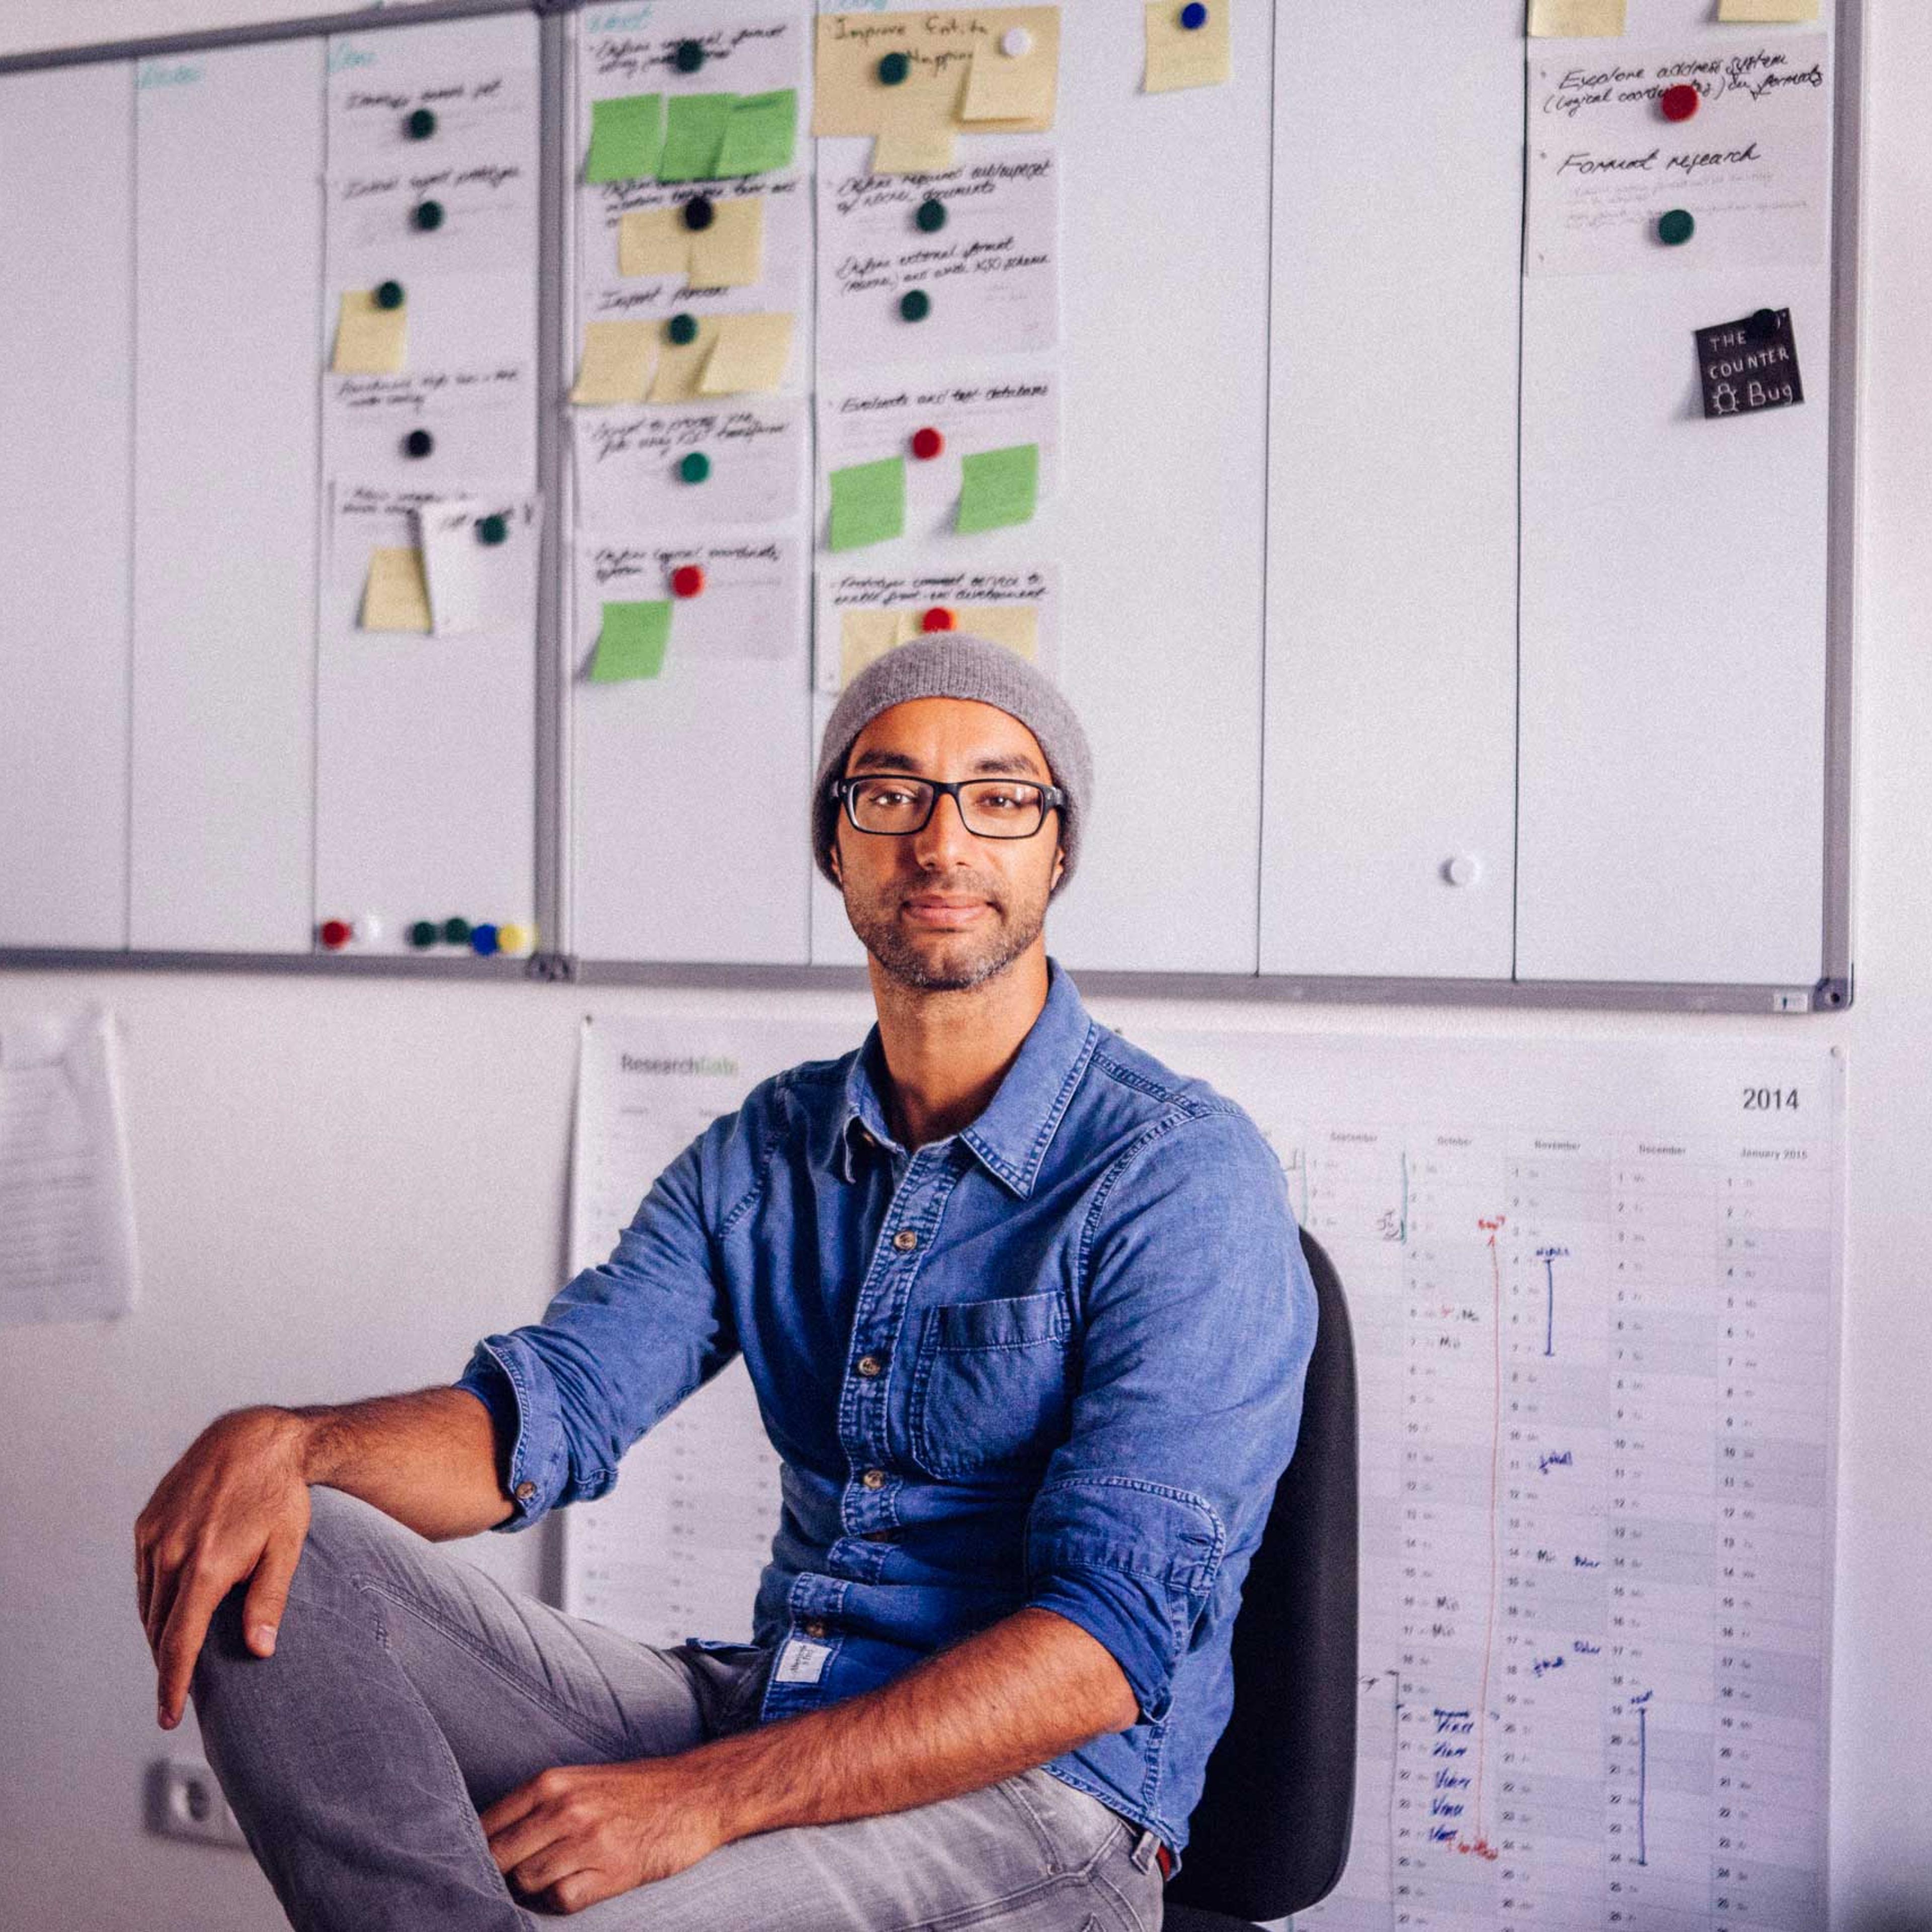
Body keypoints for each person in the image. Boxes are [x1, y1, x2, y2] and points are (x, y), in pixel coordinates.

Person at [134, 635, 1317, 1930]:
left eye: (999, 795)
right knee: (287, 1552)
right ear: (837, 843)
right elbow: (543, 1419)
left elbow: (1103, 1652)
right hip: (782, 1699)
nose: (941, 843)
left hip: (1044, 1811)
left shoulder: (1180, 1175)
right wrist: (290, 1445)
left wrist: (700, 1799)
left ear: (1055, 849)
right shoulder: (768, 1151)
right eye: (891, 794)